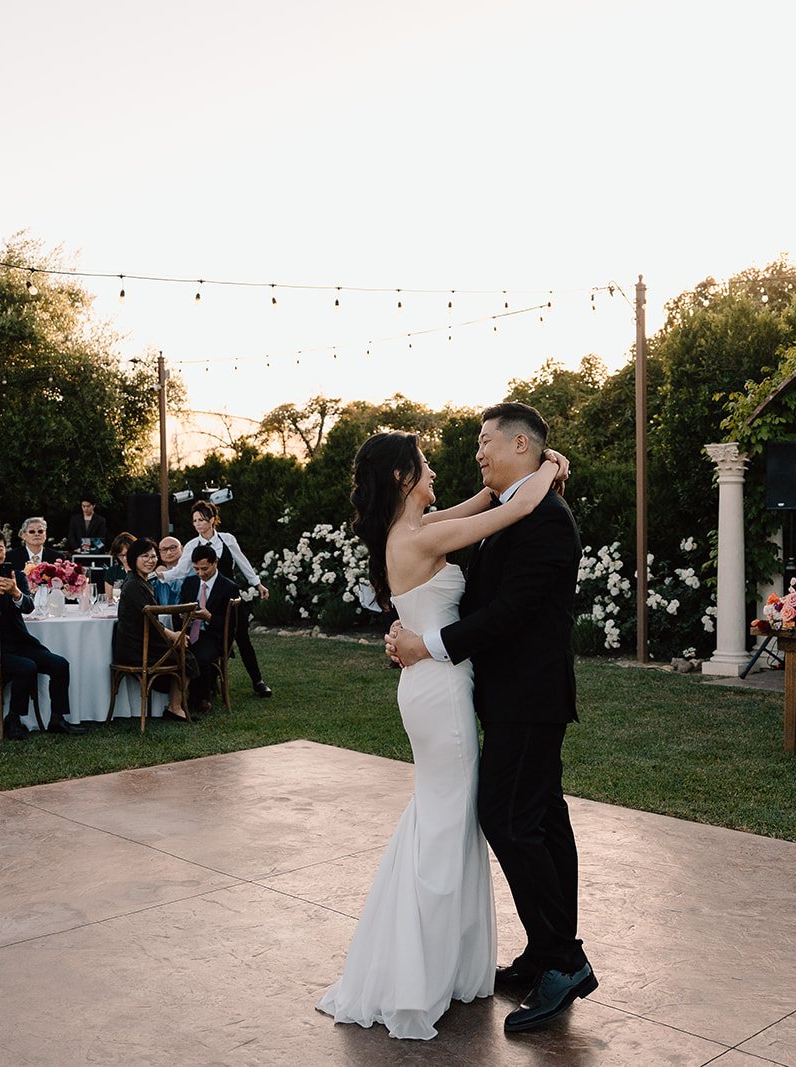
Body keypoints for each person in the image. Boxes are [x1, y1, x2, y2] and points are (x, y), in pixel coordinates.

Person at [317, 428, 568, 1040]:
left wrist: (529, 473)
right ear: (404, 478)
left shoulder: (414, 531)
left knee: (447, 818)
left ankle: (443, 961)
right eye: (425, 465)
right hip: (439, 693)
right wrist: (551, 464)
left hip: (434, 687)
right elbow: (518, 506)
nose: (437, 473)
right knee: (448, 820)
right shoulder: (420, 537)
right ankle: (422, 967)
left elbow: (485, 504)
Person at [384, 403, 594, 1034]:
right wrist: (411, 628)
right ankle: (545, 953)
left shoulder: (547, 521)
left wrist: (430, 645)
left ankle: (564, 962)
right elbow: (473, 594)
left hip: (529, 700)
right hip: (509, 698)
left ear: (521, 443)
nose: (476, 453)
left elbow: (507, 614)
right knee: (541, 819)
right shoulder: (517, 507)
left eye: (484, 442)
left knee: (509, 817)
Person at [0, 528, 85, 740]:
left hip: (18, 643)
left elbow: (28, 607)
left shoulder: (17, 576)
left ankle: (58, 718)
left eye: (0, 549)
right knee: (26, 667)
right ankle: (13, 719)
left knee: (60, 664)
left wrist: (16, 593)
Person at [161, 501, 273, 697]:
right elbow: (180, 571)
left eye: (201, 520)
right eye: (194, 520)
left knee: (243, 639)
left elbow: (242, 562)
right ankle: (208, 685)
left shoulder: (227, 539)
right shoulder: (191, 545)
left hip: (228, 595)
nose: (197, 524)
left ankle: (258, 680)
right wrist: (158, 575)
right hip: (207, 599)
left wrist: (257, 584)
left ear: (212, 520)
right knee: (206, 638)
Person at [112, 537, 195, 721]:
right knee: (185, 656)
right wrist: (173, 635)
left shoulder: (144, 581)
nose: (151, 560)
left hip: (144, 641)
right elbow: (149, 617)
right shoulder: (133, 584)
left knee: (185, 652)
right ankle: (175, 707)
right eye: (145, 556)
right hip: (134, 647)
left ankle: (177, 705)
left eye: (153, 556)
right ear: (134, 558)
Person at [176, 545, 238, 715]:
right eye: (196, 569)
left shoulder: (228, 587)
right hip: (189, 631)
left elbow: (231, 624)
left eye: (204, 568)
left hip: (215, 635)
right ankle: (177, 698)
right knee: (173, 651)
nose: (200, 573)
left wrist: (209, 617)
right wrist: (183, 615)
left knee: (199, 655)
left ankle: (202, 697)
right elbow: (180, 607)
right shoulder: (189, 583)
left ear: (215, 563)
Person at [102, 531, 136, 595]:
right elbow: (109, 599)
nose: (125, 558)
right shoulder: (112, 572)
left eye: (127, 554)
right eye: (121, 555)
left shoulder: (143, 569)